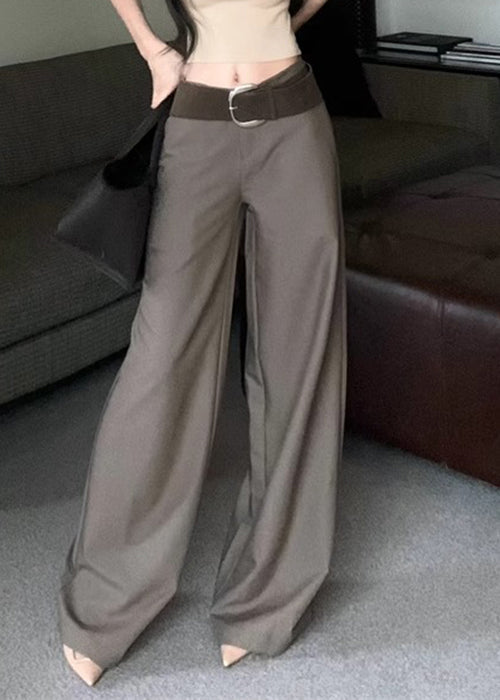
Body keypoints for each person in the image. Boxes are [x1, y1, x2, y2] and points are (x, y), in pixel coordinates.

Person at [58, 0, 347, 686]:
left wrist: (275, 31)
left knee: (298, 357)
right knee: (163, 359)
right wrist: (154, 51)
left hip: (297, 122)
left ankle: (267, 594)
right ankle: (107, 598)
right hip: (198, 123)